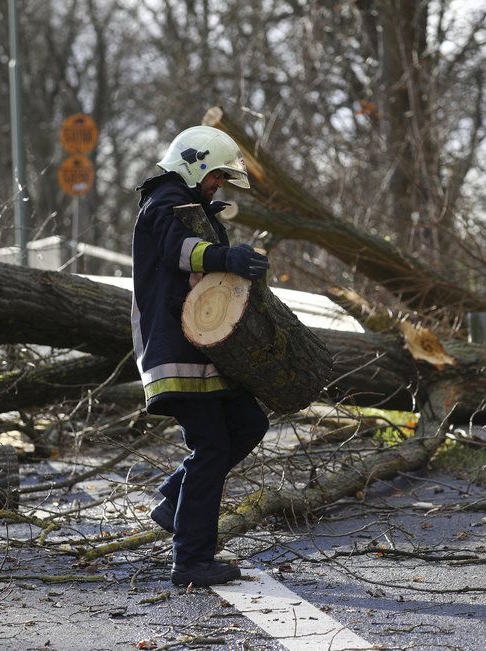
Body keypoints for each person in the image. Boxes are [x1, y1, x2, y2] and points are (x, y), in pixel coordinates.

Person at [131, 126, 271, 587]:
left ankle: (175, 500)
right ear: (195, 163)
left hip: (200, 351)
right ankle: (190, 560)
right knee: (210, 446)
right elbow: (179, 250)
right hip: (176, 352)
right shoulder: (165, 200)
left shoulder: (184, 202)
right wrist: (226, 257)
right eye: (215, 176)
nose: (218, 185)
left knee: (250, 423)